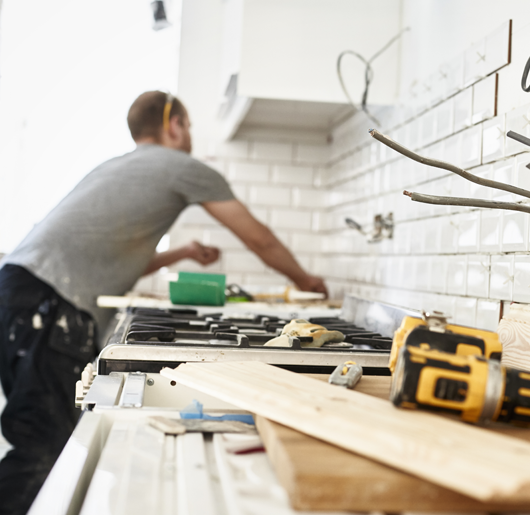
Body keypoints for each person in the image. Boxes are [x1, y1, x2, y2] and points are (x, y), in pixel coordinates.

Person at [0, 91, 327, 514]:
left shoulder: (116, 167)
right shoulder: (183, 167)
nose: (190, 135)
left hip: (20, 294)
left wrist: (183, 252)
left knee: (40, 441)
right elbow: (257, 236)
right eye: (188, 125)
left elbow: (116, 256)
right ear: (173, 124)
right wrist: (305, 280)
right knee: (42, 450)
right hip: (48, 308)